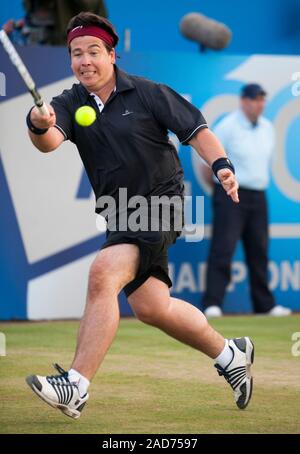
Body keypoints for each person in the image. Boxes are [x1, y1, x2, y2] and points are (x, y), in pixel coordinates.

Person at [25, 12, 254, 419]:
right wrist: (37, 124)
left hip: (162, 204)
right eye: (77, 54)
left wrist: (222, 165)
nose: (85, 61)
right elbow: (48, 141)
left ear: (111, 55)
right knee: (152, 308)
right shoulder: (69, 102)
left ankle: (75, 385)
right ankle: (229, 354)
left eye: (93, 51)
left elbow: (197, 129)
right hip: (120, 214)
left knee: (103, 273)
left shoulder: (148, 92)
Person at [202, 83, 292, 318]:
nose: (259, 104)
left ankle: (264, 305)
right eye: (255, 99)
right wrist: (222, 189)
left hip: (258, 196)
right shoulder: (227, 126)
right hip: (231, 195)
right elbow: (207, 164)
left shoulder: (268, 128)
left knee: (259, 251)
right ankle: (213, 303)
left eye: (262, 99)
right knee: (223, 248)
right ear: (243, 101)